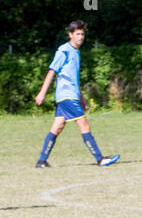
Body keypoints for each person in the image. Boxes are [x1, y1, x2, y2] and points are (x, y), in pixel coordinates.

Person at [34, 20, 119, 167]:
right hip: (66, 96)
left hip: (71, 96)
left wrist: (82, 98)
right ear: (70, 34)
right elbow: (51, 71)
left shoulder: (76, 52)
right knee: (84, 125)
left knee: (57, 127)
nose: (80, 37)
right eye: (77, 34)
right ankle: (100, 159)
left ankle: (41, 161)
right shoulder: (64, 50)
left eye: (82, 34)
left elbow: (74, 79)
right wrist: (42, 92)